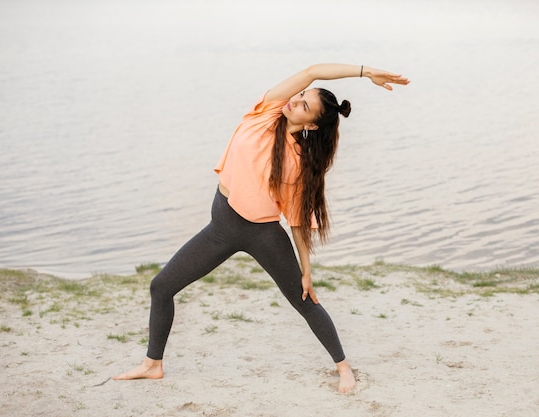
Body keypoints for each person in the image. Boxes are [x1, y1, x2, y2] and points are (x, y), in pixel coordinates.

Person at [112, 63, 409, 393]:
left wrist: (307, 271)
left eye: (304, 105)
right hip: (221, 227)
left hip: (263, 234)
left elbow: (297, 221)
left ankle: (343, 367)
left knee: (304, 301)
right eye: (299, 96)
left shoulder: (300, 161)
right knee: (162, 286)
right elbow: (313, 72)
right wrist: (365, 72)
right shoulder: (265, 112)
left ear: (310, 124)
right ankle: (153, 364)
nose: (295, 101)